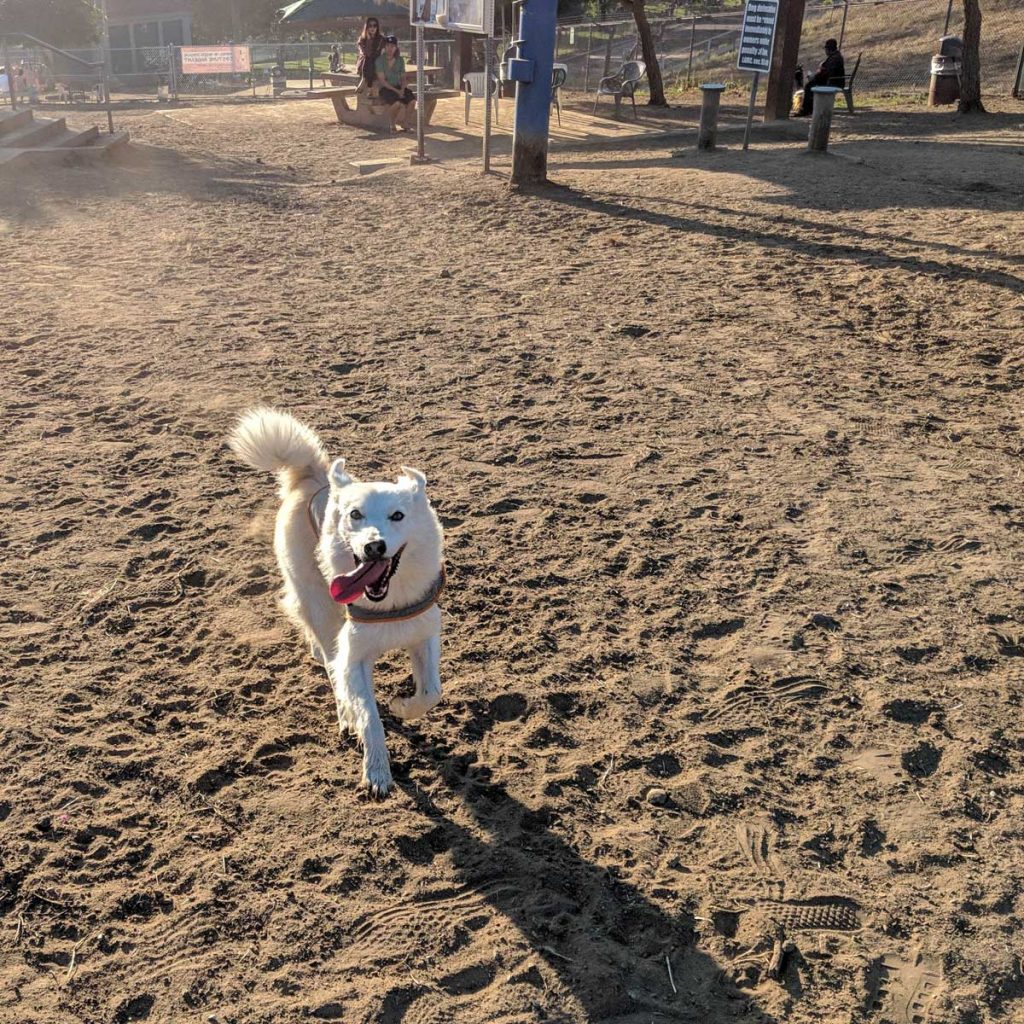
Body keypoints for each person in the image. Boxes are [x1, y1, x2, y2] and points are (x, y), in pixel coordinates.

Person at [375, 35, 415, 131]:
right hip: (386, 89)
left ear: (396, 48)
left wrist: (402, 89)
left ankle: (406, 123)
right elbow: (382, 81)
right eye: (388, 45)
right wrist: (397, 91)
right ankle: (392, 124)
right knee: (397, 103)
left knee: (412, 101)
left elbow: (403, 77)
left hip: (398, 87)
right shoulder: (380, 60)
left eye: (392, 46)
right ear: (384, 47)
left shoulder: (400, 60)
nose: (390, 48)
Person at [796, 38, 845, 116]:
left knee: (809, 86)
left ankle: (806, 110)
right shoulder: (835, 56)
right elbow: (826, 71)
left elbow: (828, 73)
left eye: (826, 49)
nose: (825, 51)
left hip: (833, 82)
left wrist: (816, 75)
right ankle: (809, 109)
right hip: (831, 80)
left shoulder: (835, 58)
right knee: (811, 84)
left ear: (828, 49)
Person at [356, 17, 384, 94]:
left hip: (376, 64)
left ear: (377, 27)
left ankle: (364, 80)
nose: (372, 28)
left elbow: (378, 53)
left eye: (374, 26)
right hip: (364, 64)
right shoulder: (362, 39)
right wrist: (368, 40)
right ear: (366, 27)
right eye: (370, 25)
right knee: (369, 58)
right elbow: (365, 53)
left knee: (373, 59)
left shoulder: (381, 39)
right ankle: (369, 86)